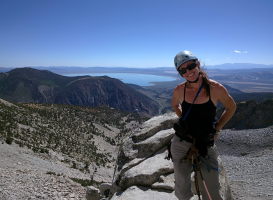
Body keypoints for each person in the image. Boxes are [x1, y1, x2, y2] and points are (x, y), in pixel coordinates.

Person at [171, 50, 236, 200]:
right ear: (180, 73)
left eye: (191, 66)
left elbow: (231, 107)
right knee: (181, 183)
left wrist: (218, 127)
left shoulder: (215, 88)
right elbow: (175, 105)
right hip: (182, 140)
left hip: (205, 142)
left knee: (211, 187)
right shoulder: (180, 90)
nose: (188, 72)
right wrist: (183, 119)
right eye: (182, 70)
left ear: (198, 64)